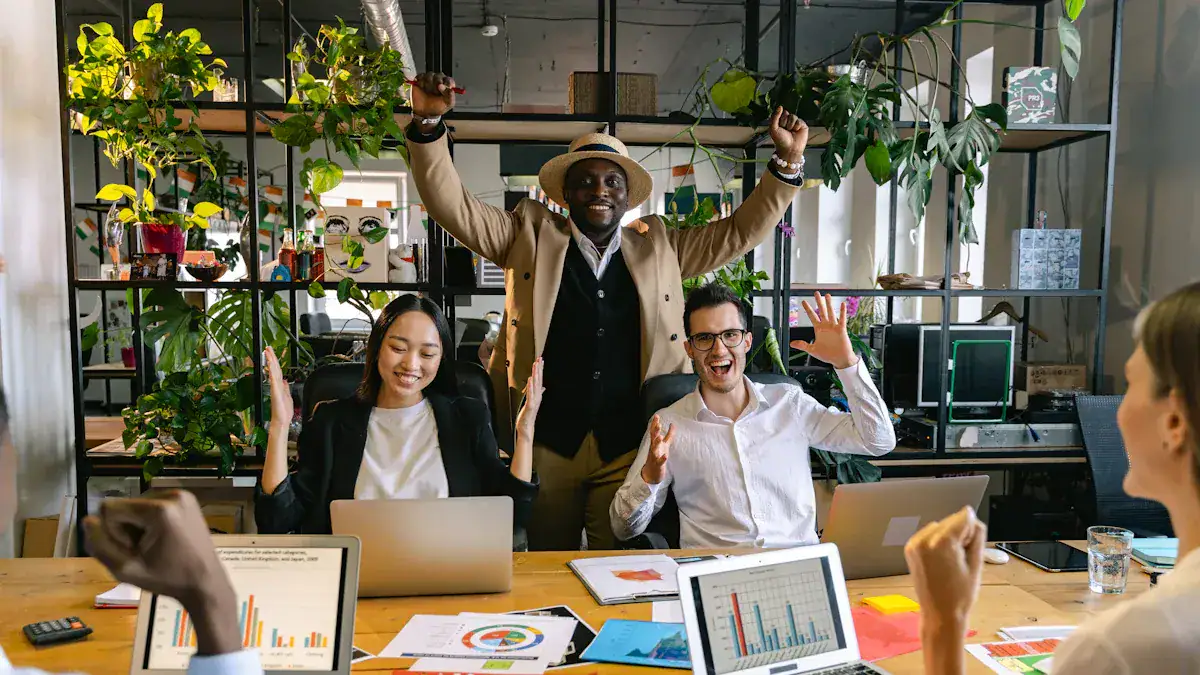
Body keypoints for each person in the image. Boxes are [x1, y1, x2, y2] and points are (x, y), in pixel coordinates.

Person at [406, 72, 811, 551]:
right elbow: (455, 207)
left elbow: (738, 232)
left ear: (626, 195)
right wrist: (429, 123)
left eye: (611, 181)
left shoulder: (660, 245)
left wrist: (786, 162)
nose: (599, 190)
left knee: (613, 565)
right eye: (585, 182)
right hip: (549, 440)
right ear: (565, 193)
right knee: (545, 562)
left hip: (629, 442)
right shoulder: (527, 236)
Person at [906, 281, 1200, 675]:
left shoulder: (1121, 649)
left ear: (1175, 422)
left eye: (1131, 386)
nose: (1117, 413)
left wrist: (945, 619)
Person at [610, 283, 895, 548]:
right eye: (705, 338)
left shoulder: (789, 403)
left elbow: (878, 441)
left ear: (746, 342)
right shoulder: (669, 425)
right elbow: (623, 528)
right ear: (690, 349)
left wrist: (846, 364)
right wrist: (650, 477)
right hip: (719, 576)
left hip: (799, 571)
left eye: (730, 335)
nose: (719, 349)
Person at [255, 294, 542, 535]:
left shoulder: (467, 419)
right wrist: (279, 427)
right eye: (398, 348)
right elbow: (277, 520)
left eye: (427, 354)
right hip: (358, 584)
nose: (411, 364)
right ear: (377, 347)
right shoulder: (332, 423)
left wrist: (525, 434)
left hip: (446, 580)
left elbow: (512, 515)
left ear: (441, 360)